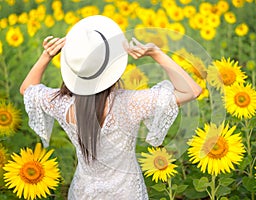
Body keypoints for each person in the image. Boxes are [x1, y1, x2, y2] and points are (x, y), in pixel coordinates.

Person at [20, 15, 202, 200]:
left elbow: (27, 89)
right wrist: (157, 53)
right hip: (127, 193)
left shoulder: (62, 104)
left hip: (84, 193)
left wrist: (46, 56)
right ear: (113, 67)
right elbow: (192, 91)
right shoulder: (130, 104)